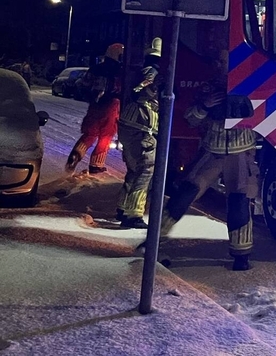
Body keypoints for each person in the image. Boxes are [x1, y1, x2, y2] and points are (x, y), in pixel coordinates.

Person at [161, 72, 257, 271]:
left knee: (239, 202)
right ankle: (155, 239)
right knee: (185, 193)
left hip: (240, 152)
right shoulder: (208, 87)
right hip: (211, 151)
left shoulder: (251, 83)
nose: (221, 65)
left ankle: (242, 254)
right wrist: (204, 106)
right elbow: (191, 119)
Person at [116, 37, 161, 229]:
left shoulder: (139, 69)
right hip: (142, 127)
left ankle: (122, 207)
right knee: (145, 169)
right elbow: (140, 90)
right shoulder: (154, 73)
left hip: (129, 124)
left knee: (134, 169)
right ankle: (133, 214)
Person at [66, 43, 124, 175]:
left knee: (90, 132)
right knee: (106, 136)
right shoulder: (120, 71)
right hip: (111, 105)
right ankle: (96, 165)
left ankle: (77, 153)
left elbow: (82, 85)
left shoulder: (95, 69)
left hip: (94, 105)